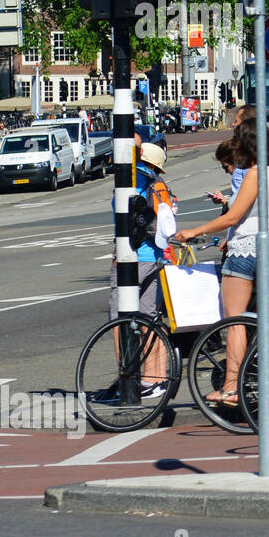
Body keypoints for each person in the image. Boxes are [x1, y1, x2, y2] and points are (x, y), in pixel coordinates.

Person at [173, 121, 269, 405]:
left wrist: (194, 231)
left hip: (246, 251)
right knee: (257, 322)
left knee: (234, 321)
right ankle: (260, 380)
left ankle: (232, 386)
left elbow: (233, 217)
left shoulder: (255, 174)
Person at [107, 141, 172, 398]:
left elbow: (130, 139)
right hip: (155, 255)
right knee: (150, 319)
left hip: (131, 257)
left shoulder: (131, 179)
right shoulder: (157, 184)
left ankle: (127, 377)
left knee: (118, 319)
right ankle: (155, 379)